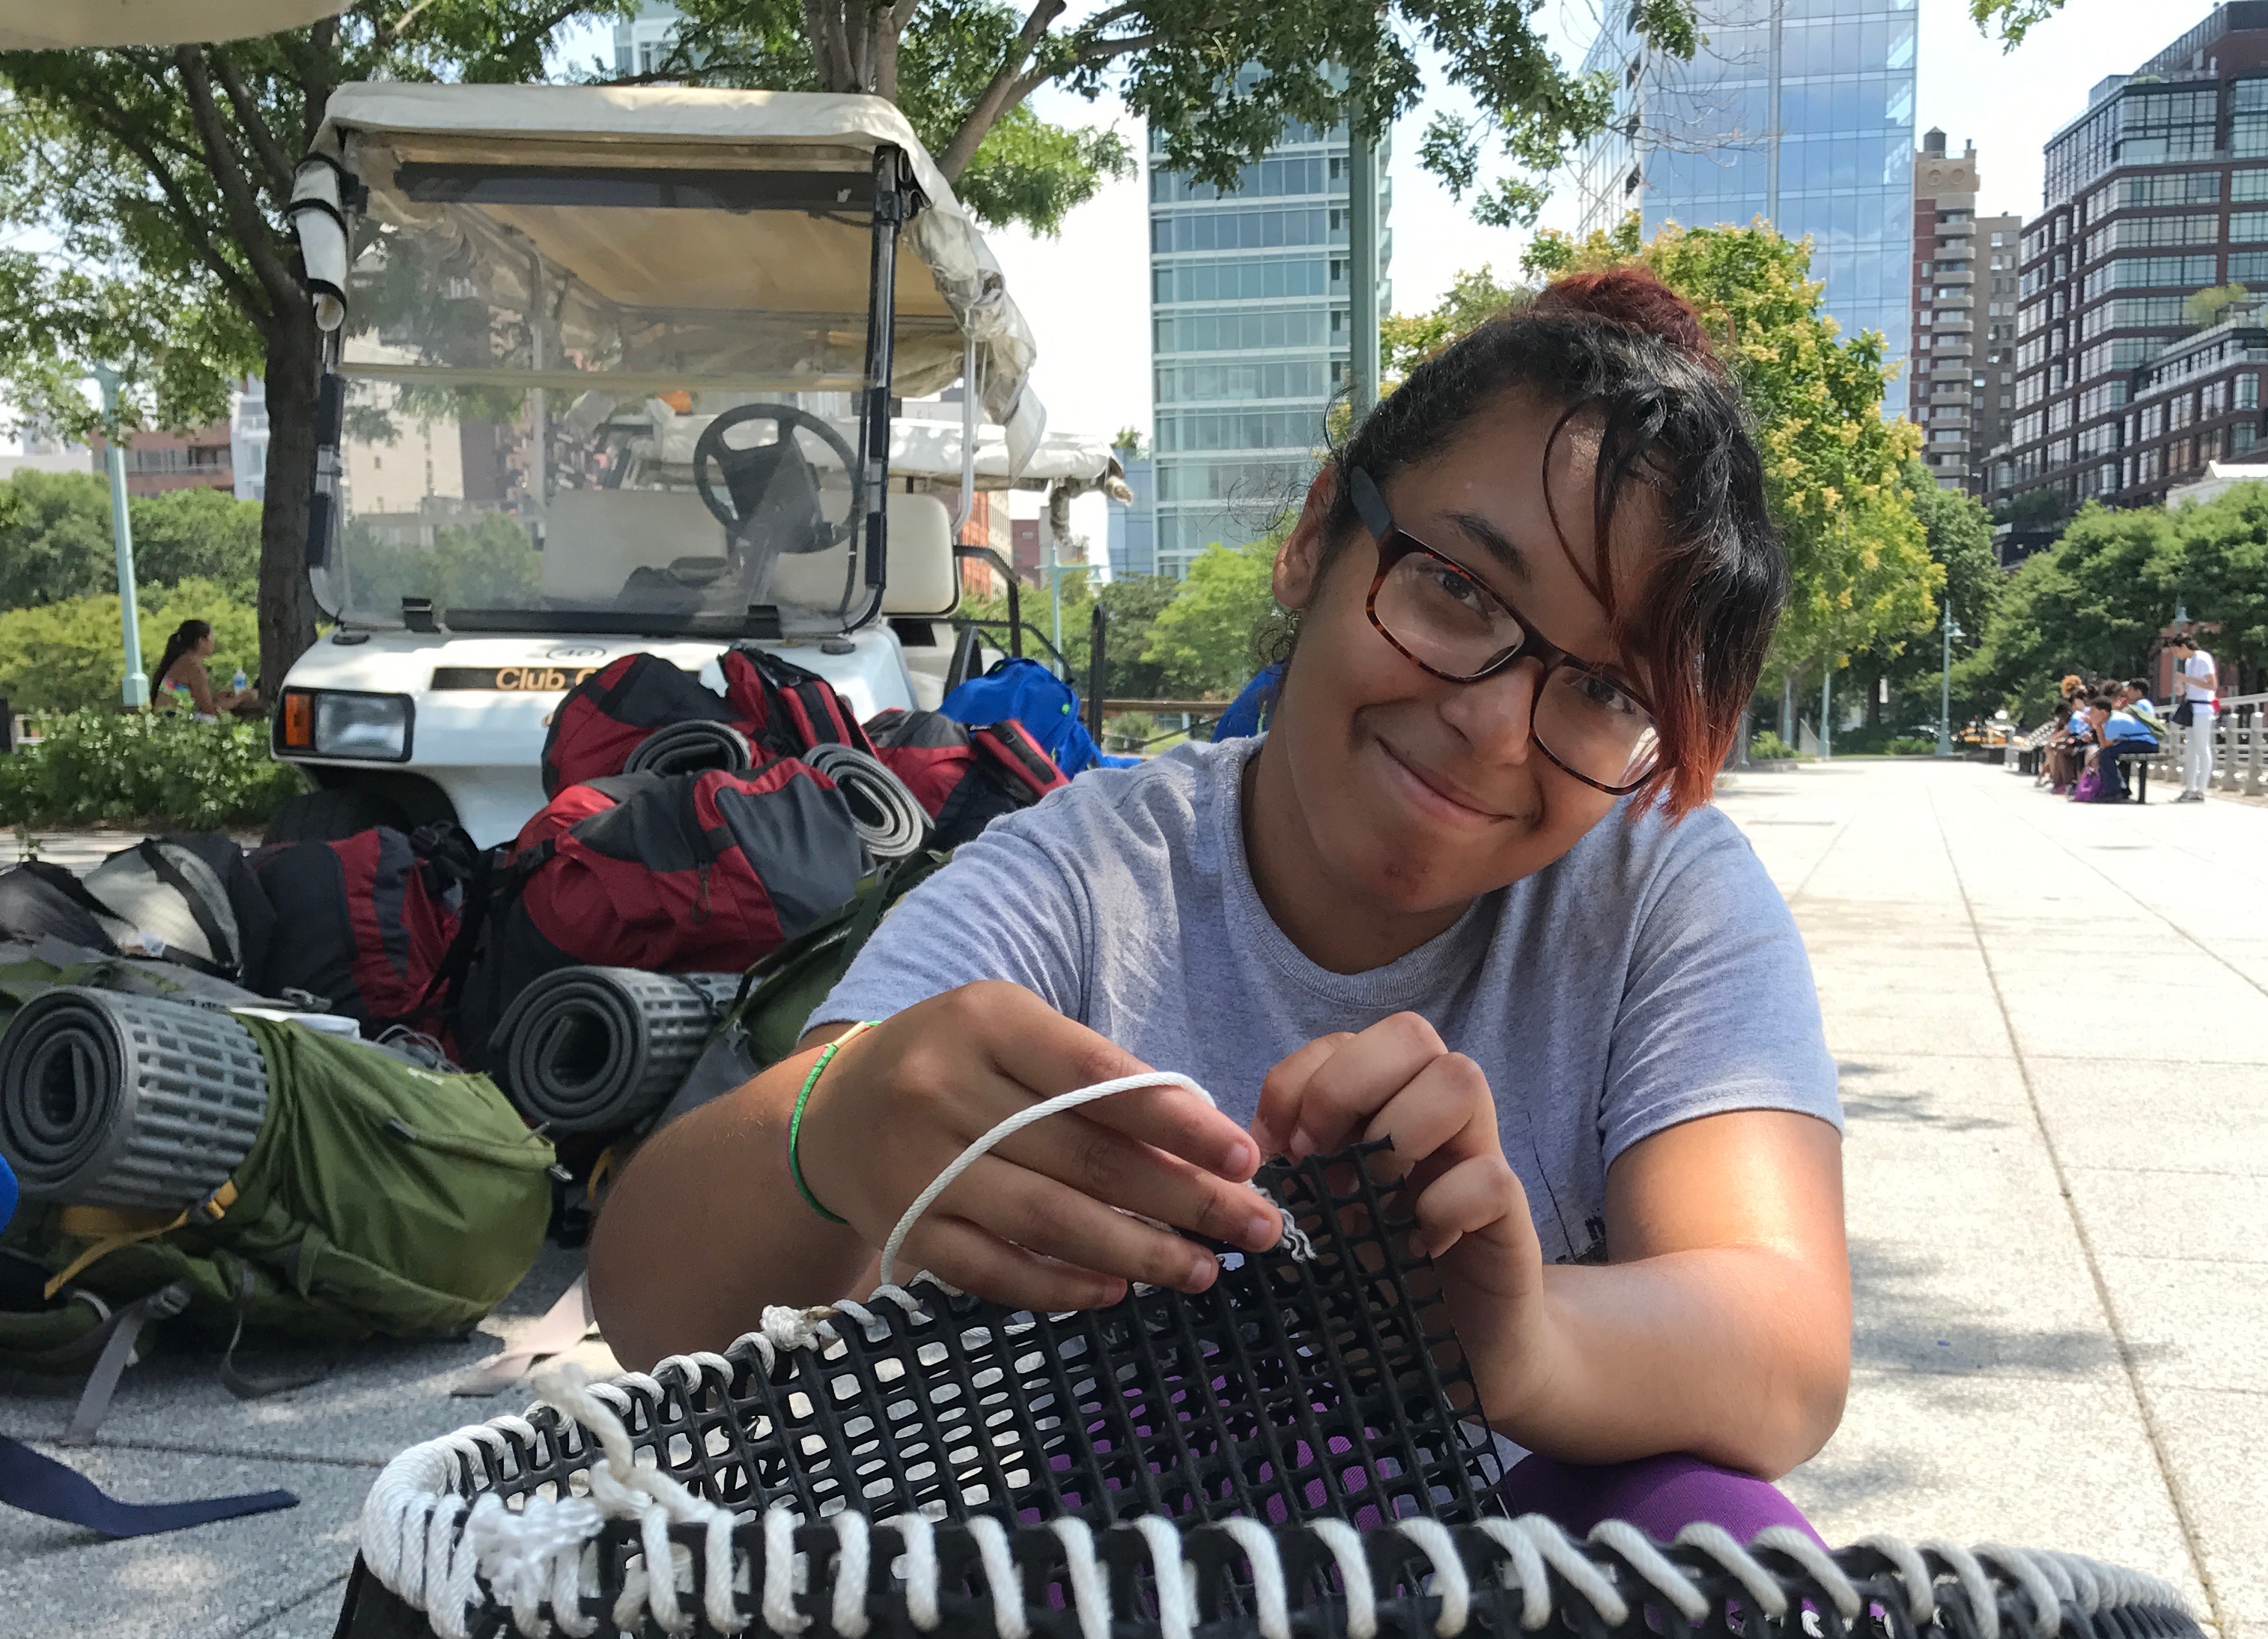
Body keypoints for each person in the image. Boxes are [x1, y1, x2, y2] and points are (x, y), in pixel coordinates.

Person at [592, 267, 1852, 1546]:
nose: (1490, 723)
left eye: (1603, 690)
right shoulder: (1086, 885)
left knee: (1716, 1528)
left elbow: (1782, 1339)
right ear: (1318, 535)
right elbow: (652, 1306)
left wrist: (1512, 1340)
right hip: (1124, 1627)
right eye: (1457, 591)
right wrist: (835, 1123)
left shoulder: (1653, 890)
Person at [151, 619, 258, 719]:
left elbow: (198, 700)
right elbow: (209, 710)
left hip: (166, 725)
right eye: (212, 638)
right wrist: (242, 698)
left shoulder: (184, 661)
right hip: (174, 728)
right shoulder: (193, 666)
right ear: (201, 640)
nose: (214, 643)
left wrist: (217, 697)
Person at [2171, 635, 2219, 802]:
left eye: (2177, 650)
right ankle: (2190, 788)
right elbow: (2194, 685)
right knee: (2191, 749)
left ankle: (2201, 791)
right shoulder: (2189, 662)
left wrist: (2187, 680)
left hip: (2202, 708)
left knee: (2202, 748)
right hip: (2191, 706)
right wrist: (2182, 685)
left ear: (2184, 646)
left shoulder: (2203, 658)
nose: (2176, 654)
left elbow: (2212, 685)